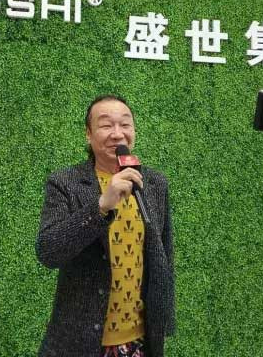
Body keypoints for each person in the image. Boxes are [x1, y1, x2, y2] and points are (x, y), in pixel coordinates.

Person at [36, 95, 175, 357]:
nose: (117, 134)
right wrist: (100, 206)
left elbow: (164, 253)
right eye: (106, 125)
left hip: (140, 343)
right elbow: (48, 251)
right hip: (79, 342)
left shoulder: (154, 183)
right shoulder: (65, 183)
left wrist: (163, 322)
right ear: (88, 134)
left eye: (125, 124)